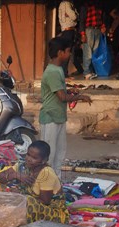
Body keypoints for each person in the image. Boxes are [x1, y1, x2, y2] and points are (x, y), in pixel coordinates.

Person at [40, 37, 92, 177]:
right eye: (68, 51)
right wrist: (80, 97)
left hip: (58, 117)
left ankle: (56, 182)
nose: (69, 54)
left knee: (59, 153)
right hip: (50, 117)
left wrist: (70, 92)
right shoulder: (52, 72)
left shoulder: (58, 70)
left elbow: (60, 93)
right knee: (49, 156)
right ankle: (47, 184)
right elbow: (62, 97)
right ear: (60, 52)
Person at [0, 141, 69, 224]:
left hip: (53, 213)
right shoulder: (22, 165)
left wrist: (20, 196)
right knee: (0, 186)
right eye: (28, 155)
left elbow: (45, 201)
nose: (29, 159)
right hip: (28, 204)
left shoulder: (46, 173)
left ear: (44, 160)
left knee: (28, 201)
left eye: (34, 158)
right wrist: (15, 175)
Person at [79, 0, 107, 79]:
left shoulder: (99, 5)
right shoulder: (85, 6)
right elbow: (82, 21)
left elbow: (102, 17)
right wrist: (83, 34)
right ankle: (87, 72)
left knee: (95, 52)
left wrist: (103, 26)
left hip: (97, 30)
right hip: (89, 30)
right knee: (88, 53)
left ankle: (92, 71)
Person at [58, 0, 83, 77]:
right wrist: (75, 14)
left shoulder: (62, 4)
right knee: (68, 52)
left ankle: (79, 69)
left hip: (66, 31)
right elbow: (75, 17)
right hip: (69, 31)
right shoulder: (67, 4)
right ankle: (64, 73)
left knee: (71, 52)